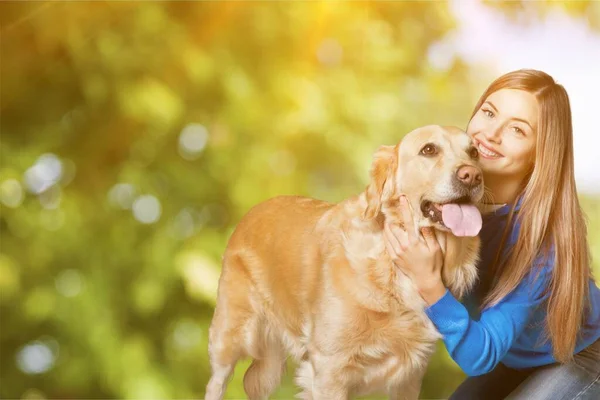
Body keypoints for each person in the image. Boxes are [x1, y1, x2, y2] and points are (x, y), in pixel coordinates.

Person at [383, 69, 600, 399]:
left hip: (586, 355)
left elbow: (477, 355)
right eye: (488, 112)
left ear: (541, 153)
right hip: (514, 354)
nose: (491, 134)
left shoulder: (543, 247)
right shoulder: (447, 195)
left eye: (517, 129)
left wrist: (429, 283)